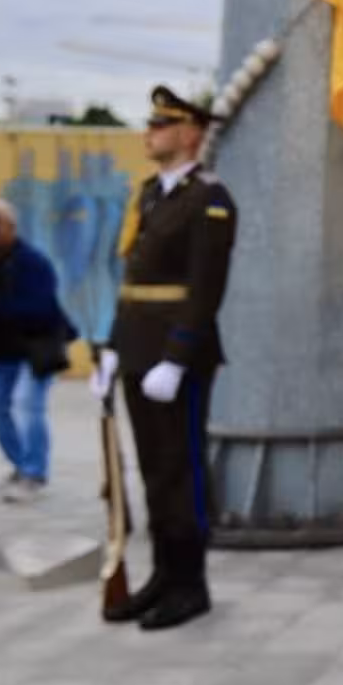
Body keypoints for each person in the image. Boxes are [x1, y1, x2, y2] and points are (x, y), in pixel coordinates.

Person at [90, 85, 238, 632]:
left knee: (181, 470)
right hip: (138, 351)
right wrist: (113, 348)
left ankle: (190, 584)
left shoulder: (210, 199)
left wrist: (176, 358)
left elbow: (205, 288)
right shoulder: (151, 193)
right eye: (150, 124)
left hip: (179, 359)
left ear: (191, 134)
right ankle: (162, 575)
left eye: (161, 125)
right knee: (153, 470)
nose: (149, 133)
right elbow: (133, 284)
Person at [0, 198, 77, 501]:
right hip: (1, 350)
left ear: (10, 228)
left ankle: (34, 473)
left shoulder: (32, 262)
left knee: (27, 405)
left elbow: (41, 308)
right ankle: (20, 465)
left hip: (37, 347)